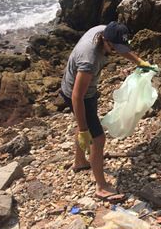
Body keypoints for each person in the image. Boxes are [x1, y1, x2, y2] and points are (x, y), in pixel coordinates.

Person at [60, 21, 151, 201]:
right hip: (77, 95)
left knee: (86, 124)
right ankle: (101, 186)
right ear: (105, 40)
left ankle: (80, 162)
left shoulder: (103, 31)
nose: (117, 51)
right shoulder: (90, 59)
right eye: (114, 47)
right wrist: (84, 131)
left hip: (84, 91)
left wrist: (139, 62)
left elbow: (122, 48)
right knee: (98, 138)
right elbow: (77, 97)